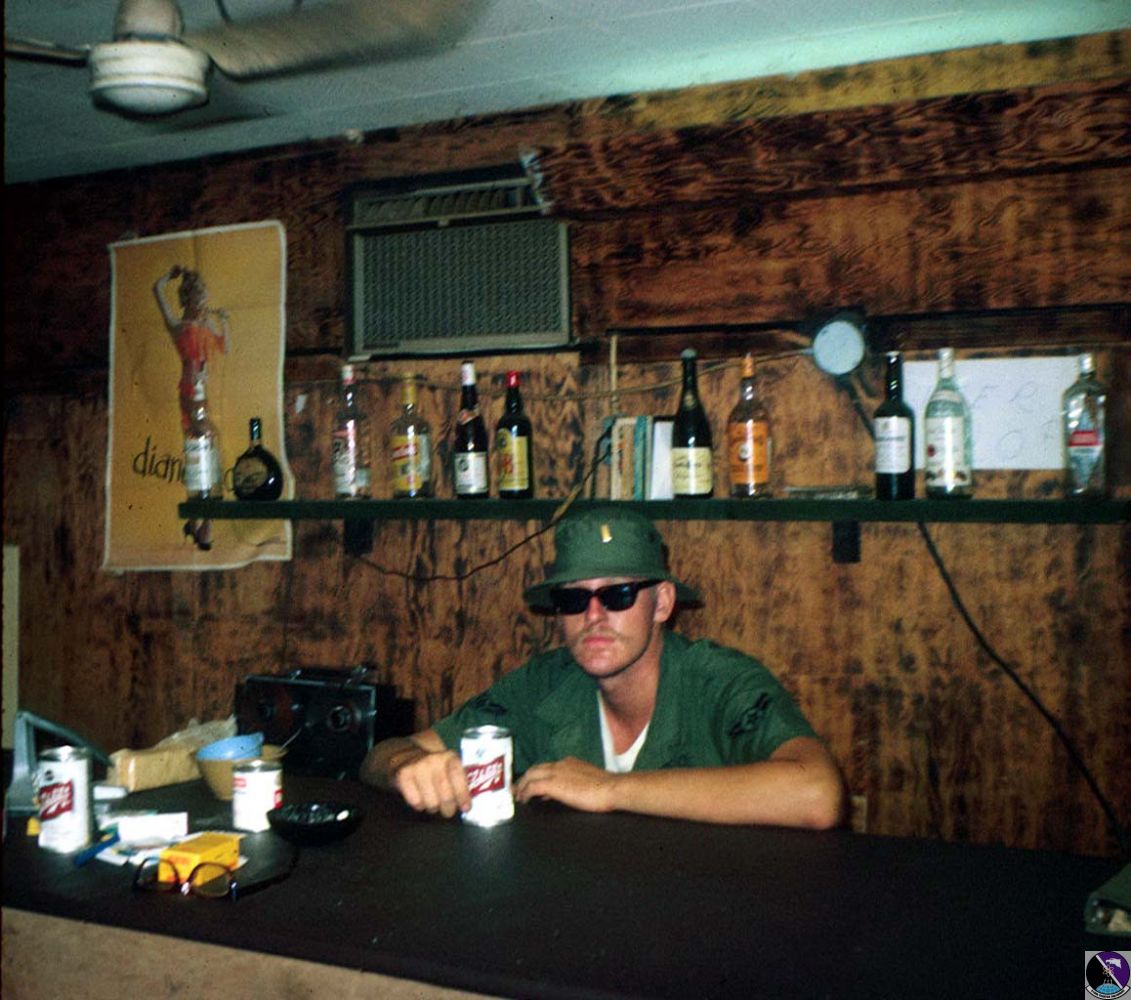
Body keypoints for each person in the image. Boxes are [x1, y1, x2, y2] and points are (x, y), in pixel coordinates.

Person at [361, 507, 845, 828]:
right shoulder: (545, 683)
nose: (593, 616)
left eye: (617, 594)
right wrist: (411, 769)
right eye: (574, 599)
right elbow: (384, 754)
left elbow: (818, 793)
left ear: (662, 603)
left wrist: (610, 789)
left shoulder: (719, 681)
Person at [153, 265, 230, 433]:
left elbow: (225, 349)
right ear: (189, 299)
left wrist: (224, 322)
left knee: (205, 435)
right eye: (200, 298)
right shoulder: (176, 325)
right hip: (190, 390)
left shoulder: (206, 323)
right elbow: (157, 289)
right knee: (200, 432)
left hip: (203, 390)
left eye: (204, 298)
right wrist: (170, 275)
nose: (203, 303)